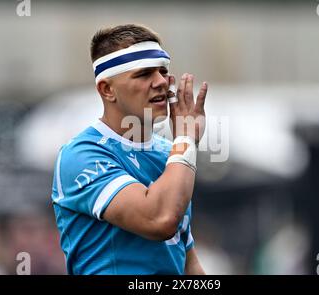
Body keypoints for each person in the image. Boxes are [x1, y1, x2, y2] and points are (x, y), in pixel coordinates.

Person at [51, 24, 208, 275]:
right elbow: (160, 220)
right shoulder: (81, 155)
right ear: (107, 89)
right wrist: (186, 140)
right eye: (144, 74)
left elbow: (186, 259)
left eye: (162, 71)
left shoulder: (171, 153)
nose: (161, 82)